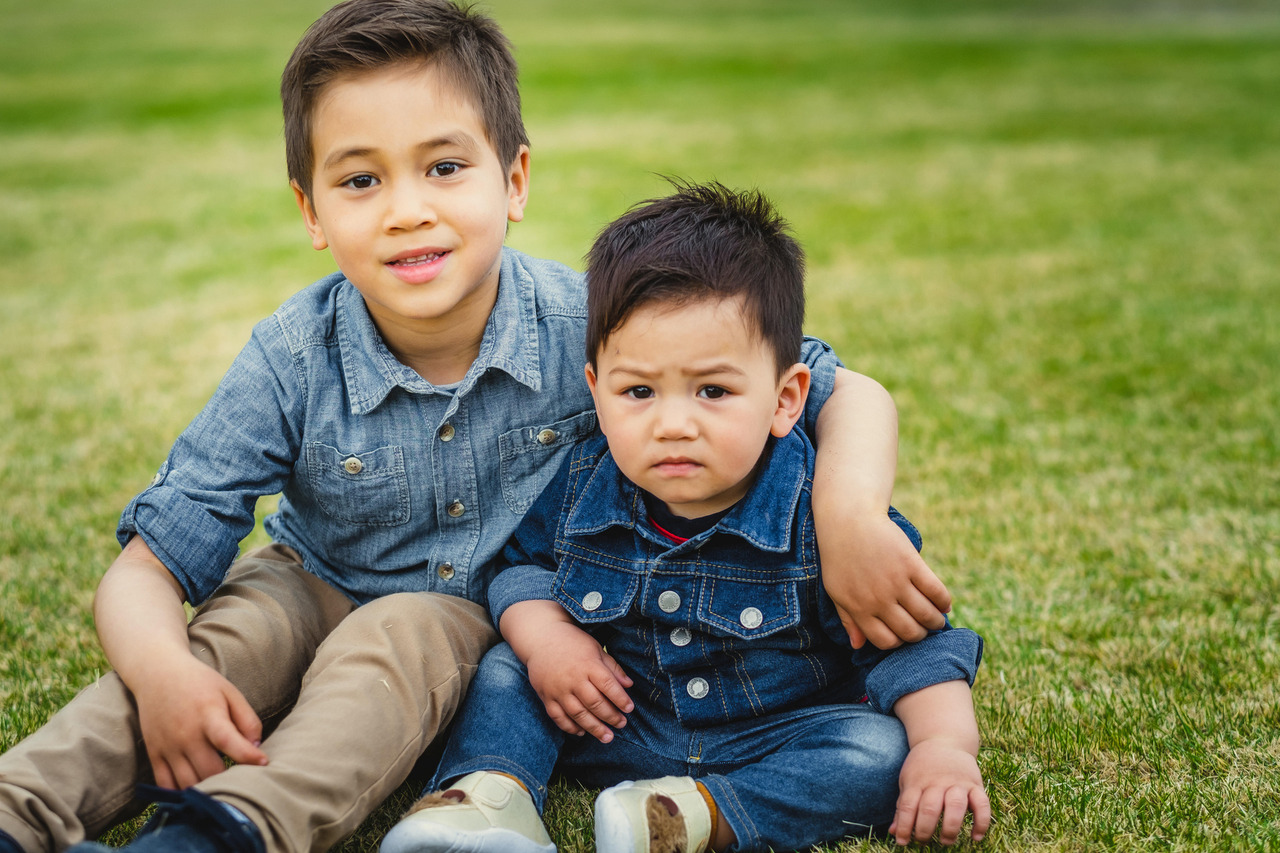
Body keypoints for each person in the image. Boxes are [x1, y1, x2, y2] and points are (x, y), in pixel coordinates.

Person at [0, 3, 949, 853]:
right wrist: (165, 670)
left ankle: (223, 831)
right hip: (310, 576)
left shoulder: (598, 327)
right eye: (361, 180)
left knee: (398, 636)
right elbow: (147, 568)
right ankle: (21, 805)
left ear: (515, 178)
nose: (410, 209)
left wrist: (849, 513)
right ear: (313, 213)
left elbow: (839, 386)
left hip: (468, 614)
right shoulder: (292, 353)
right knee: (232, 640)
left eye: (445, 167)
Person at [379, 182, 989, 853]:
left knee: (879, 749)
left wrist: (946, 749)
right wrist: (549, 639)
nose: (673, 424)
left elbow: (919, 649)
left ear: (786, 398)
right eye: (639, 391)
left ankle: (690, 818)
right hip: (618, 718)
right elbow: (522, 566)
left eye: (713, 390)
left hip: (774, 735)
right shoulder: (586, 480)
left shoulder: (819, 516)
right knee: (508, 669)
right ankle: (491, 795)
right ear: (597, 392)